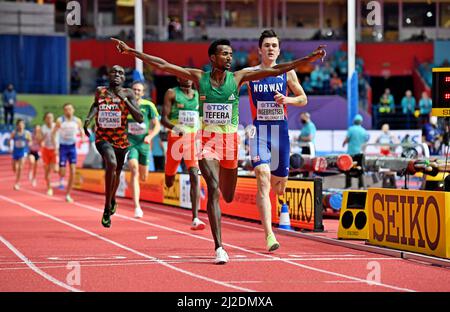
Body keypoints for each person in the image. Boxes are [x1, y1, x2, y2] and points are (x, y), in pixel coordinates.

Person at [111, 37, 325, 264]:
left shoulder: (238, 77)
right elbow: (163, 65)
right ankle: (219, 247)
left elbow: (279, 69)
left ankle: (221, 214)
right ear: (213, 58)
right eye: (224, 54)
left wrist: (309, 59)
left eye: (231, 54)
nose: (229, 57)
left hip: (230, 144)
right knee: (212, 189)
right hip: (207, 144)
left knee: (228, 195)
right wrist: (132, 51)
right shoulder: (199, 77)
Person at [245, 29, 308, 252]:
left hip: (280, 133)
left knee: (279, 188)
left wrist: (287, 99)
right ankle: (269, 235)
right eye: (267, 45)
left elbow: (303, 99)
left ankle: (278, 188)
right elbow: (228, 88)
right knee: (262, 176)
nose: (271, 48)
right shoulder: (250, 73)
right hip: (259, 132)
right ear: (260, 50)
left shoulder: (287, 73)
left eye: (274, 45)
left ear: (279, 50)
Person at [83, 65, 144, 228]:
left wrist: (123, 99)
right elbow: (96, 105)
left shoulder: (128, 93)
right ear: (108, 75)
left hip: (121, 141)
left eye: (121, 73)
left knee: (116, 172)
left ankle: (112, 199)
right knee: (111, 163)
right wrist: (88, 119)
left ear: (124, 78)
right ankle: (106, 208)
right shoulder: (100, 91)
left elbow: (139, 118)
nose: (117, 75)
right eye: (114, 72)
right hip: (103, 138)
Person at [161, 78, 205, 231]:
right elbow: (163, 119)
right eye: (182, 75)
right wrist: (175, 128)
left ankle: (195, 217)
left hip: (192, 141)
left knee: (194, 173)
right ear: (178, 78)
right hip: (175, 140)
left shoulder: (199, 95)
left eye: (189, 75)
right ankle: (169, 174)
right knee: (169, 180)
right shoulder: (172, 93)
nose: (186, 78)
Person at [127, 81, 161, 218]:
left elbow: (157, 126)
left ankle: (135, 186)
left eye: (138, 90)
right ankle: (137, 206)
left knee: (144, 177)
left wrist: (150, 136)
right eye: (134, 89)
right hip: (130, 142)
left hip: (144, 144)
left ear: (143, 92)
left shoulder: (149, 106)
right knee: (133, 169)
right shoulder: (126, 105)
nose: (136, 92)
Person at [53, 103, 84, 203]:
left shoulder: (77, 120)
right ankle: (61, 178)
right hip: (63, 147)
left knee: (73, 171)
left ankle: (68, 194)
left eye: (70, 109)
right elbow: (54, 133)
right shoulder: (60, 120)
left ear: (73, 110)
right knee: (62, 171)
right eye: (66, 109)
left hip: (72, 147)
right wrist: (55, 145)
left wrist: (82, 138)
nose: (68, 111)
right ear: (64, 111)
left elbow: (82, 131)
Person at [342, 114, 368, 189]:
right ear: (361, 122)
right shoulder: (363, 131)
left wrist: (343, 143)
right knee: (360, 168)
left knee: (348, 168)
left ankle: (348, 185)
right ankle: (361, 186)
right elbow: (365, 142)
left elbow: (347, 139)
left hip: (351, 152)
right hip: (359, 153)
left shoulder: (351, 129)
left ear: (354, 121)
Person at [9, 119, 32, 190]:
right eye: (19, 125)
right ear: (17, 125)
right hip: (15, 152)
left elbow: (30, 141)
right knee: (14, 168)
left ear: (24, 125)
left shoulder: (27, 133)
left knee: (20, 167)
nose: (21, 126)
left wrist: (29, 145)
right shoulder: (14, 133)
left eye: (22, 124)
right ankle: (18, 177)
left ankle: (17, 183)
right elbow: (10, 140)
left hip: (23, 152)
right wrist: (10, 147)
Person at [40, 112, 58, 196]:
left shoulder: (56, 126)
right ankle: (49, 188)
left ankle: (60, 181)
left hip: (55, 150)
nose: (49, 119)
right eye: (47, 117)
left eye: (51, 117)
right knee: (47, 172)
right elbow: (40, 140)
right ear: (45, 119)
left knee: (55, 169)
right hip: (46, 150)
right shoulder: (42, 128)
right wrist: (42, 141)